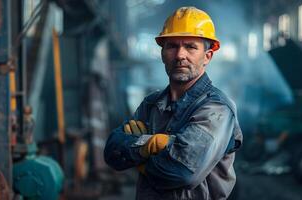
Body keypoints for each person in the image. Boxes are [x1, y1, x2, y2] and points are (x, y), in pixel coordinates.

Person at [104, 6, 243, 200]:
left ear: (207, 56)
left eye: (191, 47)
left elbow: (181, 172)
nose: (180, 55)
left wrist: (138, 156)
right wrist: (148, 147)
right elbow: (112, 152)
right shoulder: (151, 104)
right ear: (162, 54)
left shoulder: (216, 109)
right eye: (172, 46)